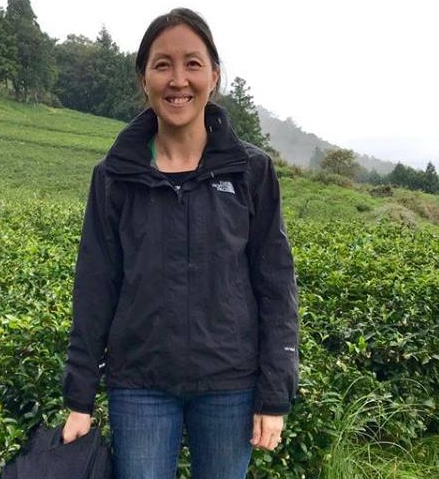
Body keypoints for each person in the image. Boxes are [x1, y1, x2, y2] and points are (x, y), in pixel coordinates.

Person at [61, 7, 299, 479]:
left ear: (214, 75)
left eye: (192, 63)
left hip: (230, 386)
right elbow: (95, 286)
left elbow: (276, 287)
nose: (178, 80)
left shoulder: (251, 172)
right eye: (162, 64)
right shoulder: (114, 176)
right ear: (143, 79)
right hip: (139, 386)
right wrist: (79, 397)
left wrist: (275, 393)